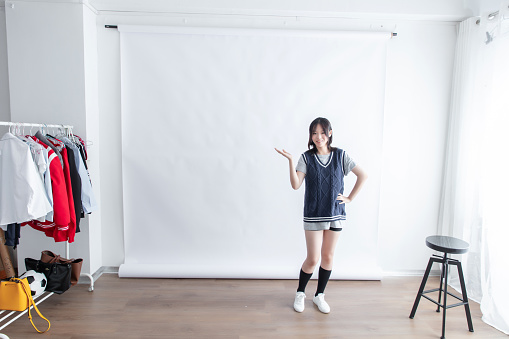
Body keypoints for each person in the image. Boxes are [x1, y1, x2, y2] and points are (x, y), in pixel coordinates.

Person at [275, 117, 367, 314]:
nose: (318, 137)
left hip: (335, 214)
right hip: (314, 214)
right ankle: (300, 293)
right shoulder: (306, 158)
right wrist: (291, 161)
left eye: (322, 133)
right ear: (311, 135)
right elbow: (295, 185)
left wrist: (349, 197)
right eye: (314, 133)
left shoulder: (340, 156)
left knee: (328, 256)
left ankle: (319, 295)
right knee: (313, 258)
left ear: (330, 133)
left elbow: (363, 175)